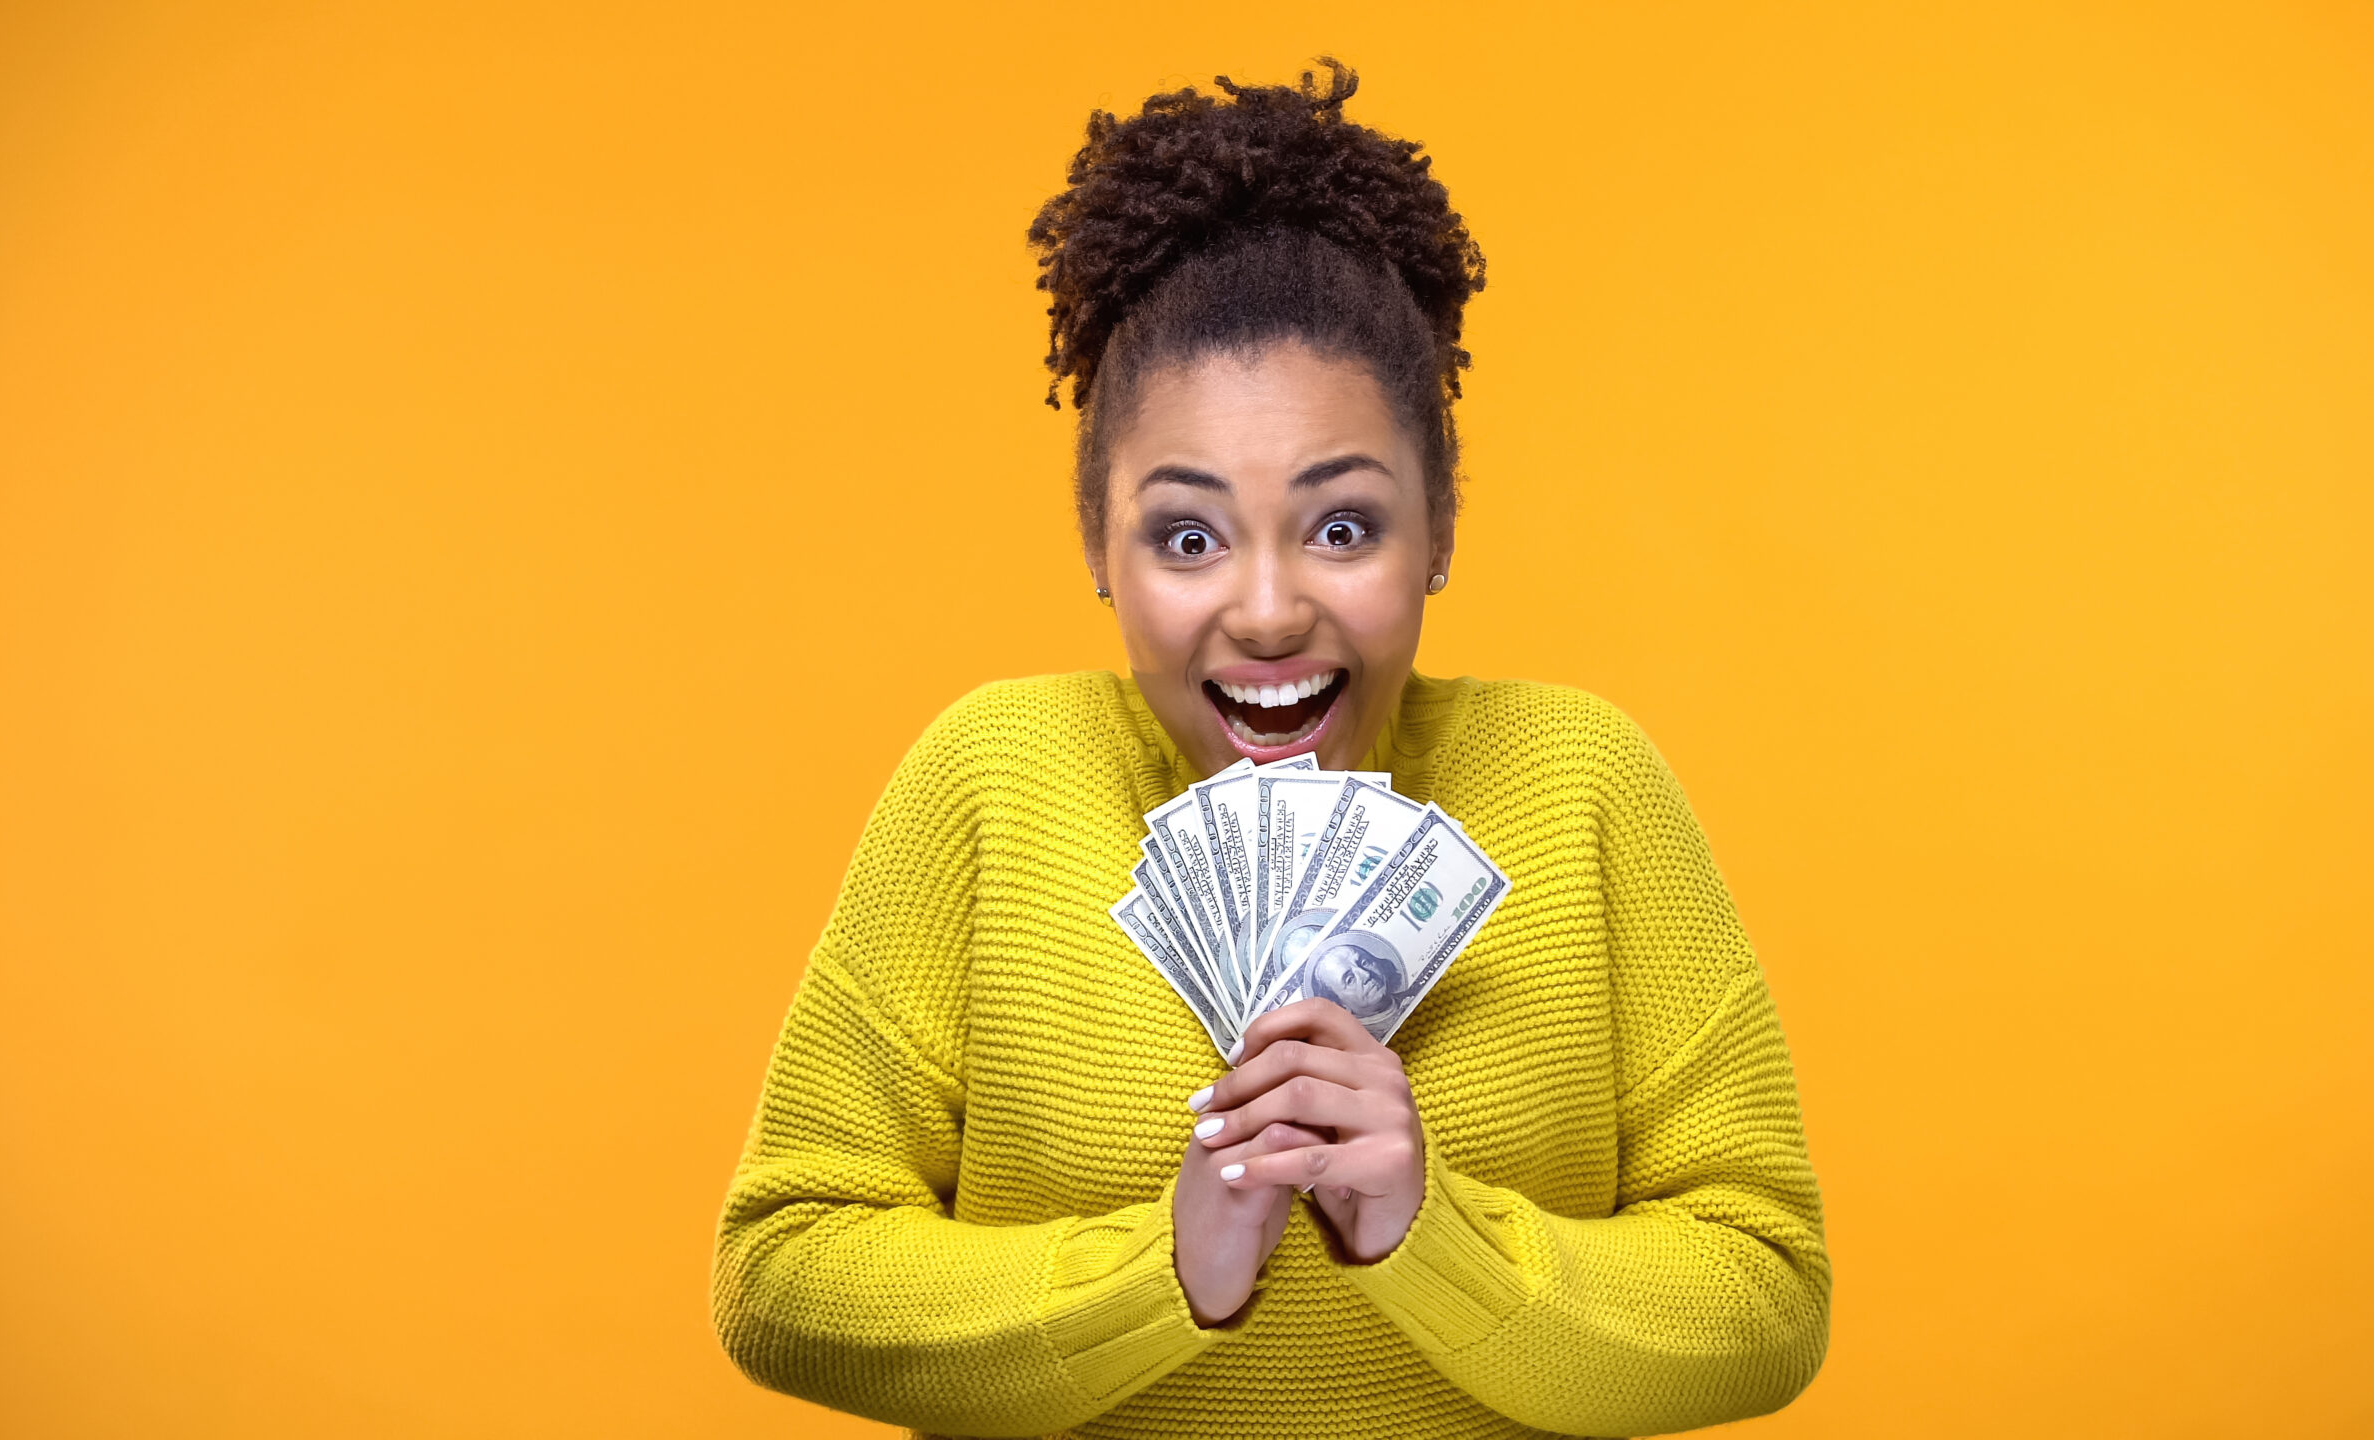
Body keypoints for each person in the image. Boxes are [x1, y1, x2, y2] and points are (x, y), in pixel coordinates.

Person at [712, 61, 1831, 1439]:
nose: (1265, 608)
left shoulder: (1582, 778)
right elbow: (783, 1275)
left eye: (1341, 526)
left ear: (1441, 528)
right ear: (1098, 550)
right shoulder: (989, 779)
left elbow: (1766, 1297)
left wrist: (1434, 1233)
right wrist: (1160, 1268)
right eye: (1188, 536)